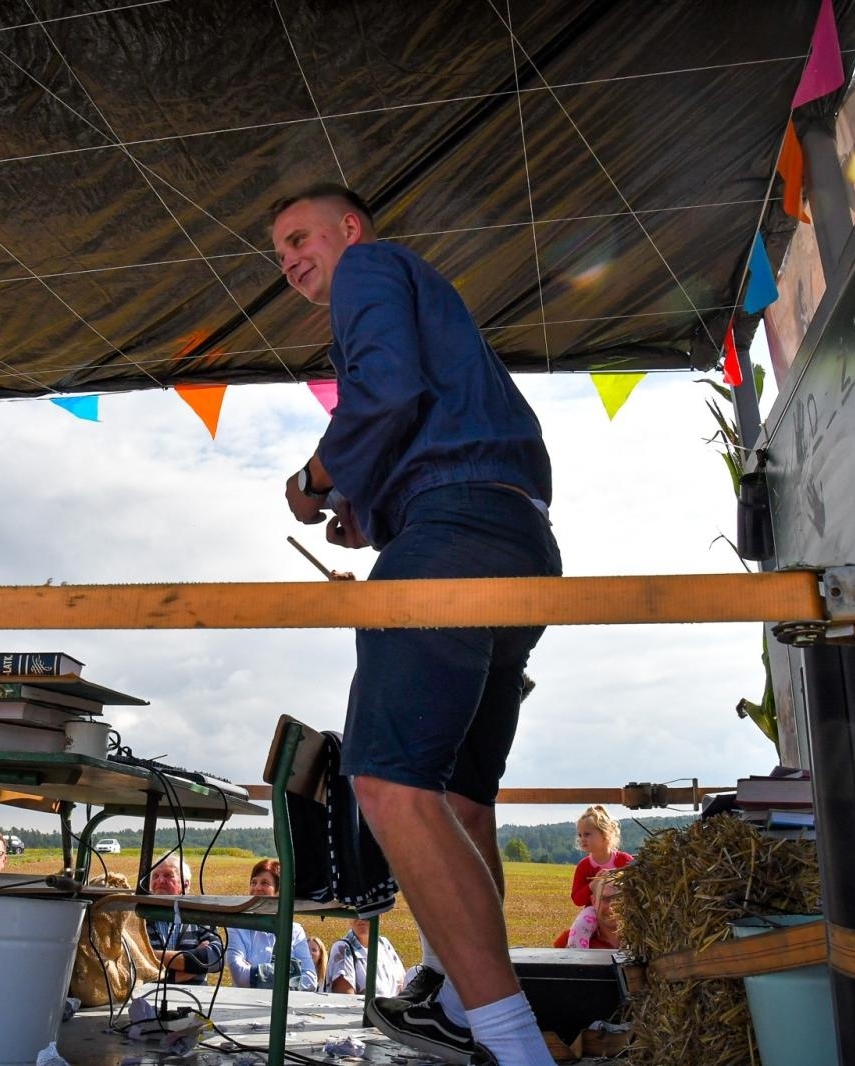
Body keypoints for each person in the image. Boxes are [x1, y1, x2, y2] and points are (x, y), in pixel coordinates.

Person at [273, 183, 561, 1066]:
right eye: (280, 254)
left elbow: (385, 390)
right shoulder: (422, 303)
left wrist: (315, 480)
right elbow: (421, 422)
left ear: (349, 228)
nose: (290, 262)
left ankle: (511, 1047)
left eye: (299, 238)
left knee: (389, 782)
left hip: (453, 534)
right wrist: (369, 514)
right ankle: (459, 1005)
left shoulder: (368, 268)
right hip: (512, 533)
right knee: (463, 801)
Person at [223, 858, 317, 991]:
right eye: (253, 882)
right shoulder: (237, 926)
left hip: (286, 1004)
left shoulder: (294, 931)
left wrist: (256, 973)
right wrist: (292, 973)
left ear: (279, 891)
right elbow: (240, 976)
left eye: (265, 883)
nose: (257, 888)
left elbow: (311, 980)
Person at [143, 857, 223, 985]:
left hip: (194, 995)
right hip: (149, 995)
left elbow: (216, 958)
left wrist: (149, 955)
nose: (160, 880)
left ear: (185, 885)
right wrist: (193, 966)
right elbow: (132, 966)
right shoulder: (139, 918)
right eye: (155, 876)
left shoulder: (200, 915)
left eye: (168, 875)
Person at [566, 806, 632, 949]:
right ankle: (576, 954)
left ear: (604, 835)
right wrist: (592, 885)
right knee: (580, 925)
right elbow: (577, 899)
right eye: (580, 835)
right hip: (595, 910)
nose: (582, 839)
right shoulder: (584, 866)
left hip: (624, 907)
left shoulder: (624, 860)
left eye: (587, 834)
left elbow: (637, 884)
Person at [325, 918, 405, 998]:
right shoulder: (343, 948)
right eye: (355, 912)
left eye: (366, 912)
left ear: (380, 914)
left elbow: (402, 984)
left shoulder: (385, 944)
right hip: (367, 1006)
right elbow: (345, 999)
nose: (361, 918)